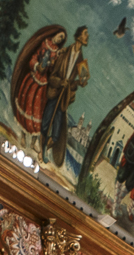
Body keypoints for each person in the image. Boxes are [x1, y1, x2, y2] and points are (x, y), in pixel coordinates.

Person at [39, 25, 89, 166]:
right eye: (85, 34)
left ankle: (46, 150)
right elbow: (53, 76)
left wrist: (77, 83)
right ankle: (41, 148)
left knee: (55, 133)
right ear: (79, 36)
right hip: (55, 92)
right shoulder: (64, 53)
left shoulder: (81, 61)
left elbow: (80, 82)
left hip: (64, 98)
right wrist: (61, 82)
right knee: (45, 123)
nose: (87, 37)